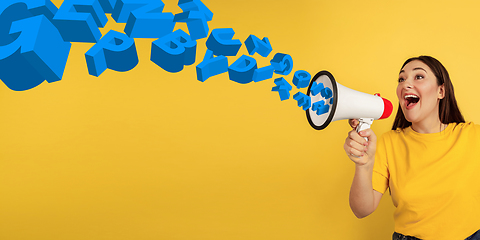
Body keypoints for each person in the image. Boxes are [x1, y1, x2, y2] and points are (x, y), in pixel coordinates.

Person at [344, 56, 480, 240]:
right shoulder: (389, 142)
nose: (406, 84)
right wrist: (363, 165)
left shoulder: (472, 136)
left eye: (419, 77)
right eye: (401, 79)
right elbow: (362, 210)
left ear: (441, 91)